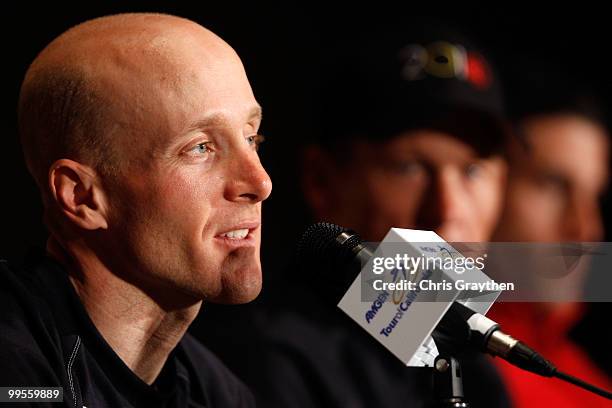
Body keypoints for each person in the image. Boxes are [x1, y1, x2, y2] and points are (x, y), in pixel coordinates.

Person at [198, 26, 512, 407]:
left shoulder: (477, 367)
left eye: (473, 171)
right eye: (409, 168)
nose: (448, 211)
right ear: (322, 181)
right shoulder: (269, 361)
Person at [0, 12, 271, 407]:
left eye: (251, 137)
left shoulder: (216, 390)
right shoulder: (15, 368)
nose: (260, 182)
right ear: (82, 196)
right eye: (200, 148)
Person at [488, 67, 612, 407]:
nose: (586, 229)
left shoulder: (586, 379)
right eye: (554, 184)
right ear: (484, 181)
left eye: (595, 195)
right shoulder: (415, 350)